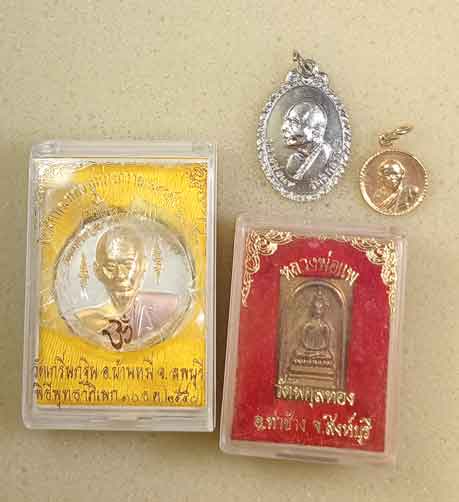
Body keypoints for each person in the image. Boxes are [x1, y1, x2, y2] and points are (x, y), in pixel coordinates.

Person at [75, 225, 178, 349]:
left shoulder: (167, 308)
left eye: (129, 265)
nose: (121, 275)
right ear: (97, 271)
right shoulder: (83, 321)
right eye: (111, 267)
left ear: (143, 265)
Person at [281, 101, 332, 180]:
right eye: (287, 121)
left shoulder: (322, 157)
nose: (284, 128)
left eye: (295, 122)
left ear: (315, 133)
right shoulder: (295, 160)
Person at [289, 288, 334, 370]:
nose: (318, 311)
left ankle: (314, 360)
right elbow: (302, 339)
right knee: (298, 354)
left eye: (320, 309)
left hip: (321, 352)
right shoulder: (308, 324)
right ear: (312, 309)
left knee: (327, 357)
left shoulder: (324, 326)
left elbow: (327, 344)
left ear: (323, 310)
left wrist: (320, 349)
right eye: (316, 308)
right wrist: (307, 347)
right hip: (307, 350)